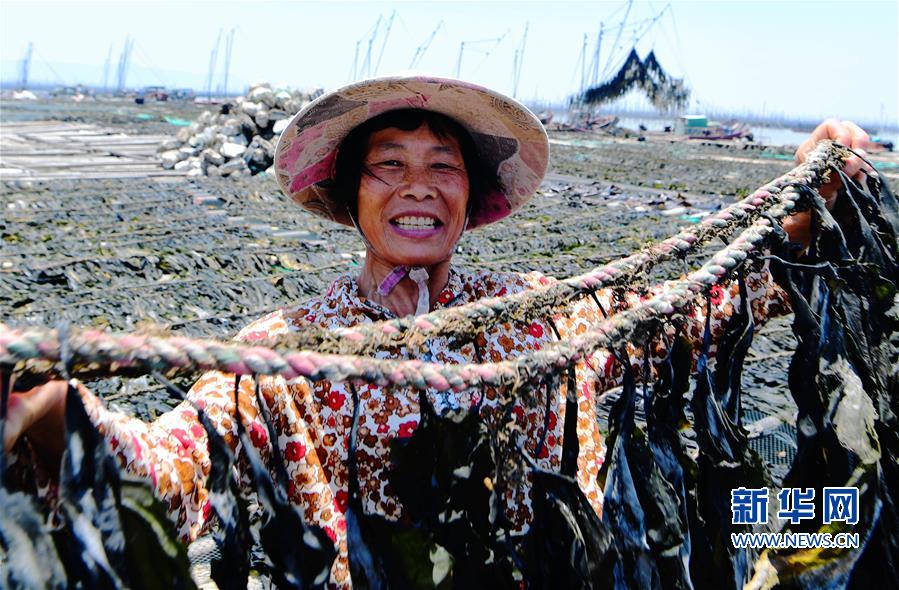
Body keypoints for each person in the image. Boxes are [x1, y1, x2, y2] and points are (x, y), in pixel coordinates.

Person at [3, 75, 873, 587]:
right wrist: (50, 411)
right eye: (388, 166)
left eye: (441, 166)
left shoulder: (547, 316)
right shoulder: (282, 348)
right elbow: (170, 472)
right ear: (351, 197)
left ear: (470, 196)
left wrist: (810, 207)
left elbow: (709, 308)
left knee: (824, 532)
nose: (416, 186)